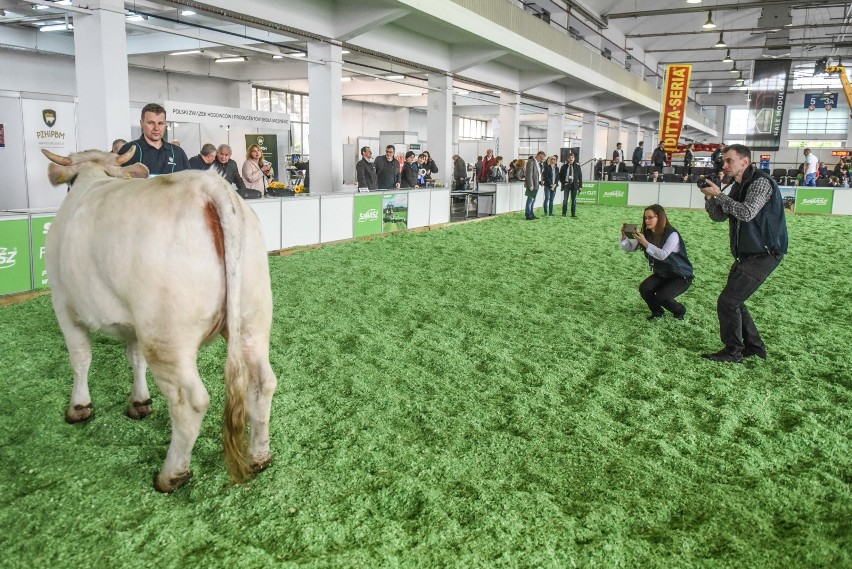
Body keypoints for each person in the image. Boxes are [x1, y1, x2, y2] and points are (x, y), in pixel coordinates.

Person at [699, 144, 788, 363]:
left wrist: (719, 195)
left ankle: (733, 352)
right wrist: (710, 198)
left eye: (729, 161)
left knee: (728, 302)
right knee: (735, 301)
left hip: (765, 253)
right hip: (749, 254)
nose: (725, 165)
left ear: (745, 162)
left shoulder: (760, 182)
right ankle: (755, 348)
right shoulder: (737, 185)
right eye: (724, 161)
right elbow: (719, 217)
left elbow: (746, 213)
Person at [621, 204, 693, 320]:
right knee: (645, 288)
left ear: (660, 218)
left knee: (662, 297)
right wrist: (624, 237)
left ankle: (680, 310)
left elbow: (663, 255)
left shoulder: (672, 234)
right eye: (645, 218)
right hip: (663, 273)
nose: (647, 220)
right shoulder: (647, 234)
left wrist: (645, 243)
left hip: (681, 276)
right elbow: (629, 248)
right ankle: (658, 313)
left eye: (650, 217)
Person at [117, 103, 190, 175]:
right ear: (141, 123)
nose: (156, 128)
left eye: (160, 123)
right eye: (151, 123)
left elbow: (189, 181)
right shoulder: (129, 150)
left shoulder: (178, 153)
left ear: (165, 124)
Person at [524, 151, 546, 220]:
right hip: (532, 184)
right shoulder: (531, 162)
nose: (542, 160)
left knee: (533, 200)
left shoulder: (538, 163)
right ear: (539, 156)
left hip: (537, 184)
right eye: (542, 158)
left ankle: (531, 214)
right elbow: (529, 174)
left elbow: (539, 173)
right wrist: (530, 185)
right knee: (530, 200)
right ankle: (528, 215)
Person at [559, 152, 582, 217]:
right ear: (567, 159)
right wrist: (563, 183)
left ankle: (573, 214)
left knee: (574, 200)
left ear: (574, 159)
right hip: (566, 185)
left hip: (574, 185)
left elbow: (580, 177)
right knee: (565, 200)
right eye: (570, 158)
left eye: (572, 157)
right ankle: (564, 213)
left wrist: (580, 186)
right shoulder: (563, 166)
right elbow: (560, 176)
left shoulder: (577, 167)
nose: (571, 159)